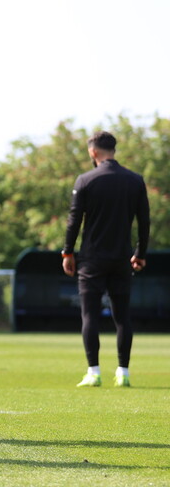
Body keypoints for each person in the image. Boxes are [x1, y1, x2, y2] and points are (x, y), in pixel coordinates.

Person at [62, 131, 149, 388]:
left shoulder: (86, 180)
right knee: (122, 317)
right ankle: (123, 372)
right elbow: (144, 221)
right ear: (113, 150)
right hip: (122, 258)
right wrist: (140, 254)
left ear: (93, 152)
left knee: (89, 315)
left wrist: (68, 252)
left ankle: (94, 372)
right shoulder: (135, 181)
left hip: (91, 259)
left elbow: (74, 220)